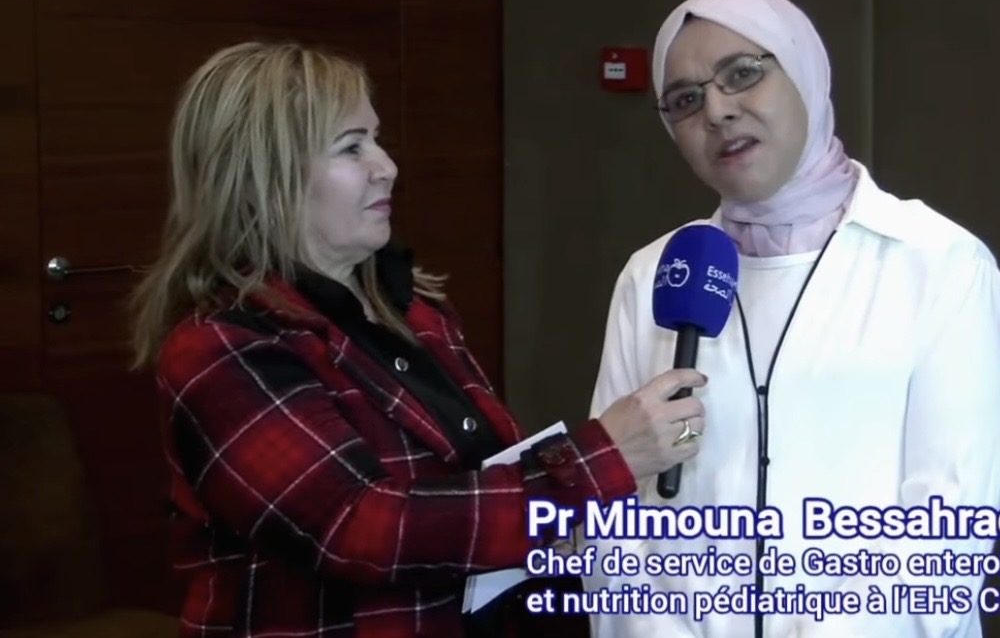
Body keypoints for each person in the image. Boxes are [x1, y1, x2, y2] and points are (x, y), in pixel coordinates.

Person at [127, 41, 709, 638]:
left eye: (376, 139)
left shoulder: (413, 310)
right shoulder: (221, 347)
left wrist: (561, 537)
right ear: (262, 180)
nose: (386, 166)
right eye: (351, 147)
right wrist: (603, 459)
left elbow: (478, 488)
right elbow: (357, 526)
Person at [581, 0, 1000, 637]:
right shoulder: (653, 275)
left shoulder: (936, 261)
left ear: (806, 69)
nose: (718, 111)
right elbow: (609, 514)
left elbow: (948, 526)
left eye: (742, 74)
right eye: (686, 100)